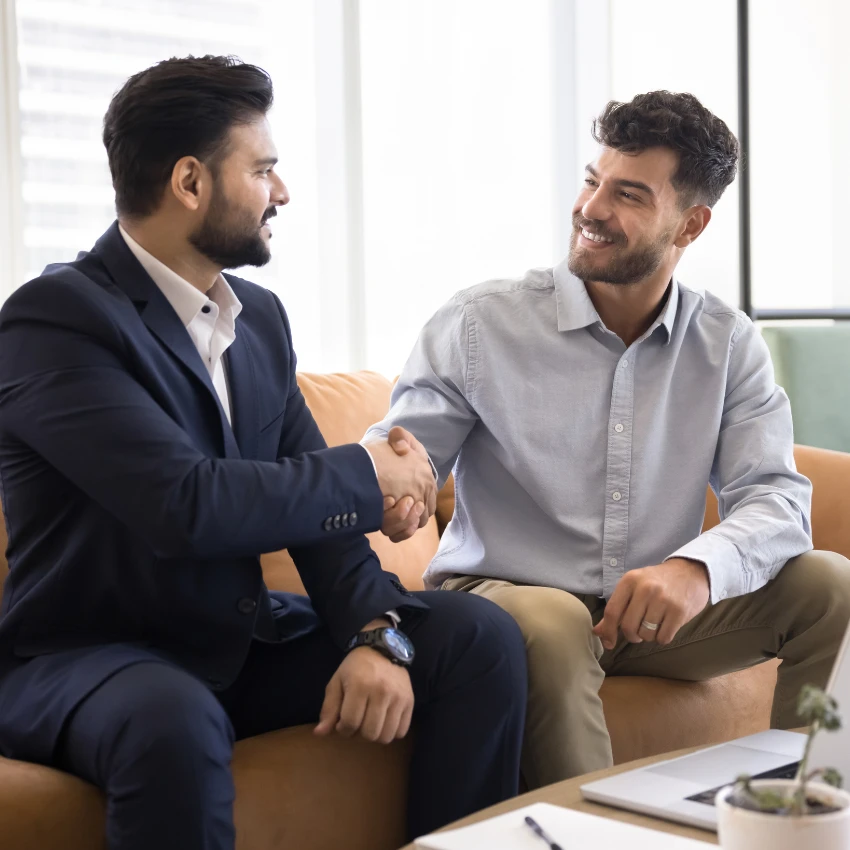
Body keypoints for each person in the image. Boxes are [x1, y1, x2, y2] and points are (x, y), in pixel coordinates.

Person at [0, 56, 527, 850]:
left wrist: (375, 630)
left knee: (477, 639)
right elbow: (187, 505)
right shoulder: (54, 322)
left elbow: (319, 523)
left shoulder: (259, 321)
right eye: (265, 170)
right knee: (170, 720)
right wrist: (367, 469)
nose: (282, 193)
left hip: (235, 642)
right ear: (190, 182)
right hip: (90, 657)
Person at [366, 90, 850, 789]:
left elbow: (776, 499)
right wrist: (393, 485)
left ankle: (804, 815)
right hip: (509, 598)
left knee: (831, 586)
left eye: (627, 194)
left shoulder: (727, 342)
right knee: (556, 618)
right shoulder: (481, 323)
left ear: (690, 224)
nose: (592, 208)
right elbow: (402, 454)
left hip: (647, 619)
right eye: (593, 181)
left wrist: (697, 569)